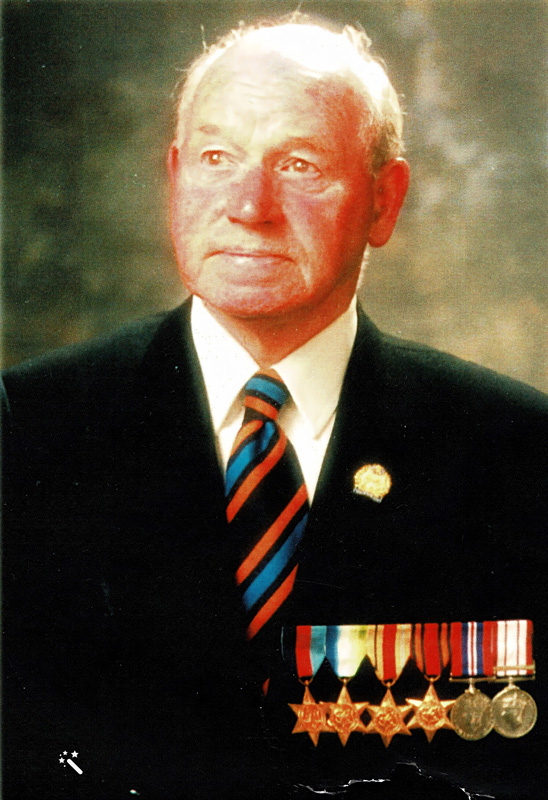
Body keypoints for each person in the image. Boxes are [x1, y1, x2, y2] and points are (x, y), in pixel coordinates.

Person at [3, 14, 548, 800]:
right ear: (176, 175)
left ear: (384, 201)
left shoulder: (516, 451)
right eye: (217, 158)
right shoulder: (27, 430)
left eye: (299, 165)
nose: (249, 205)